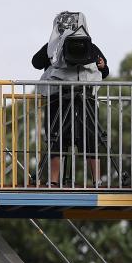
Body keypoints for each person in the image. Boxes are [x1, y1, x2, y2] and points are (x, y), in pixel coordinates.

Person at [31, 11, 109, 187]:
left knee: (77, 137)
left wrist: (103, 65)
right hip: (69, 97)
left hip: (71, 98)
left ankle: (58, 180)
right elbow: (36, 62)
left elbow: (104, 70)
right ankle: (89, 181)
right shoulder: (59, 48)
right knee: (65, 137)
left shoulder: (82, 47)